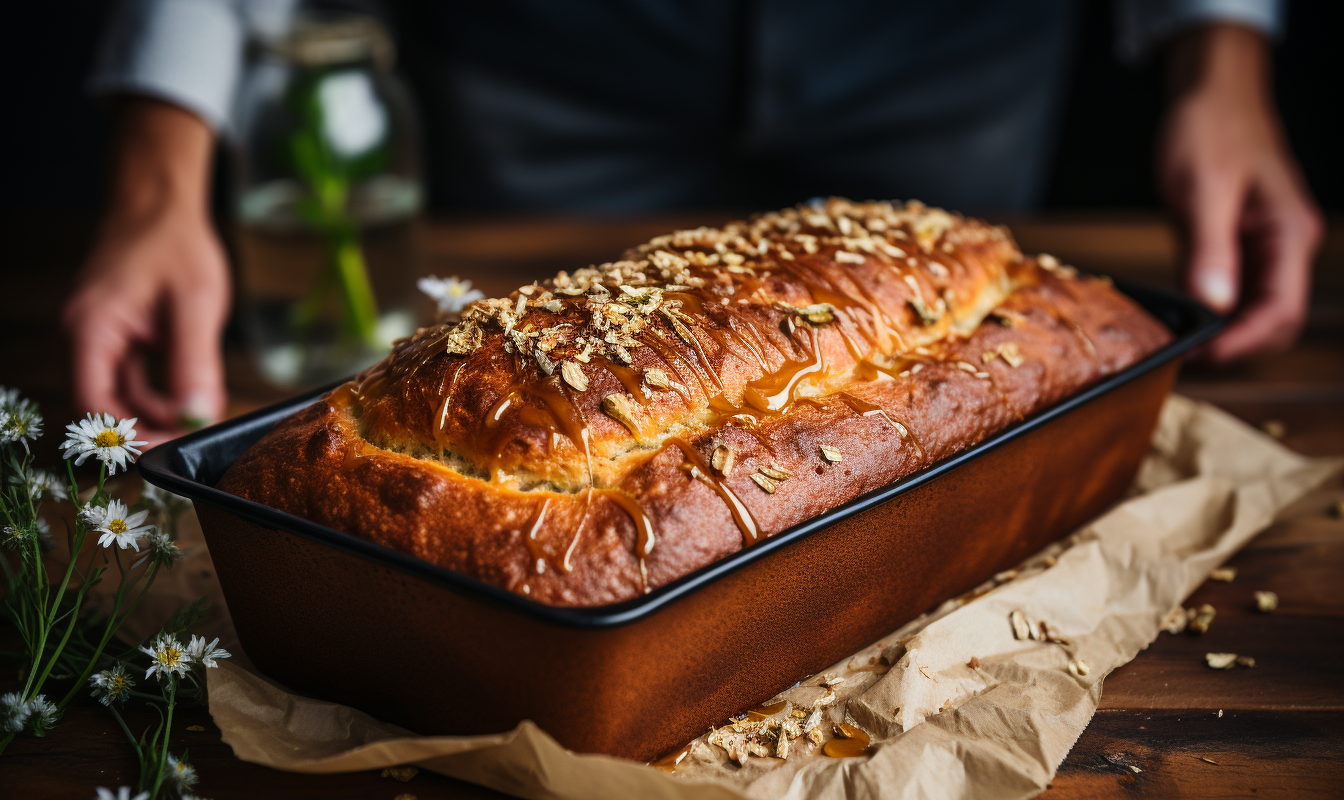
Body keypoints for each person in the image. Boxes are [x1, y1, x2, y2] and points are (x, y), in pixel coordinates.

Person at [65, 0, 1322, 445]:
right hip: (562, 47)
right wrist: (155, 177)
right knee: (549, 379)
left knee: (947, 363)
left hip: (944, 42)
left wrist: (1224, 57)